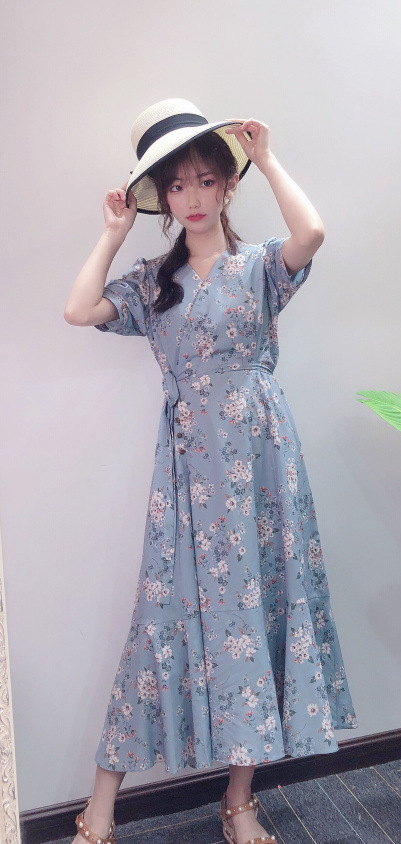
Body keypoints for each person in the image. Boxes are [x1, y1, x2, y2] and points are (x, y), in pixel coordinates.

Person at [64, 99, 358, 844]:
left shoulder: (258, 268)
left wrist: (268, 158)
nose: (191, 197)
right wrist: (112, 232)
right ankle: (99, 809)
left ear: (227, 185)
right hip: (187, 481)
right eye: (176, 185)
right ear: (162, 199)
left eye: (204, 180)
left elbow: (312, 233)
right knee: (158, 621)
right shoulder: (151, 283)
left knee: (257, 617)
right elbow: (78, 309)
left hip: (261, 468)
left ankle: (239, 801)